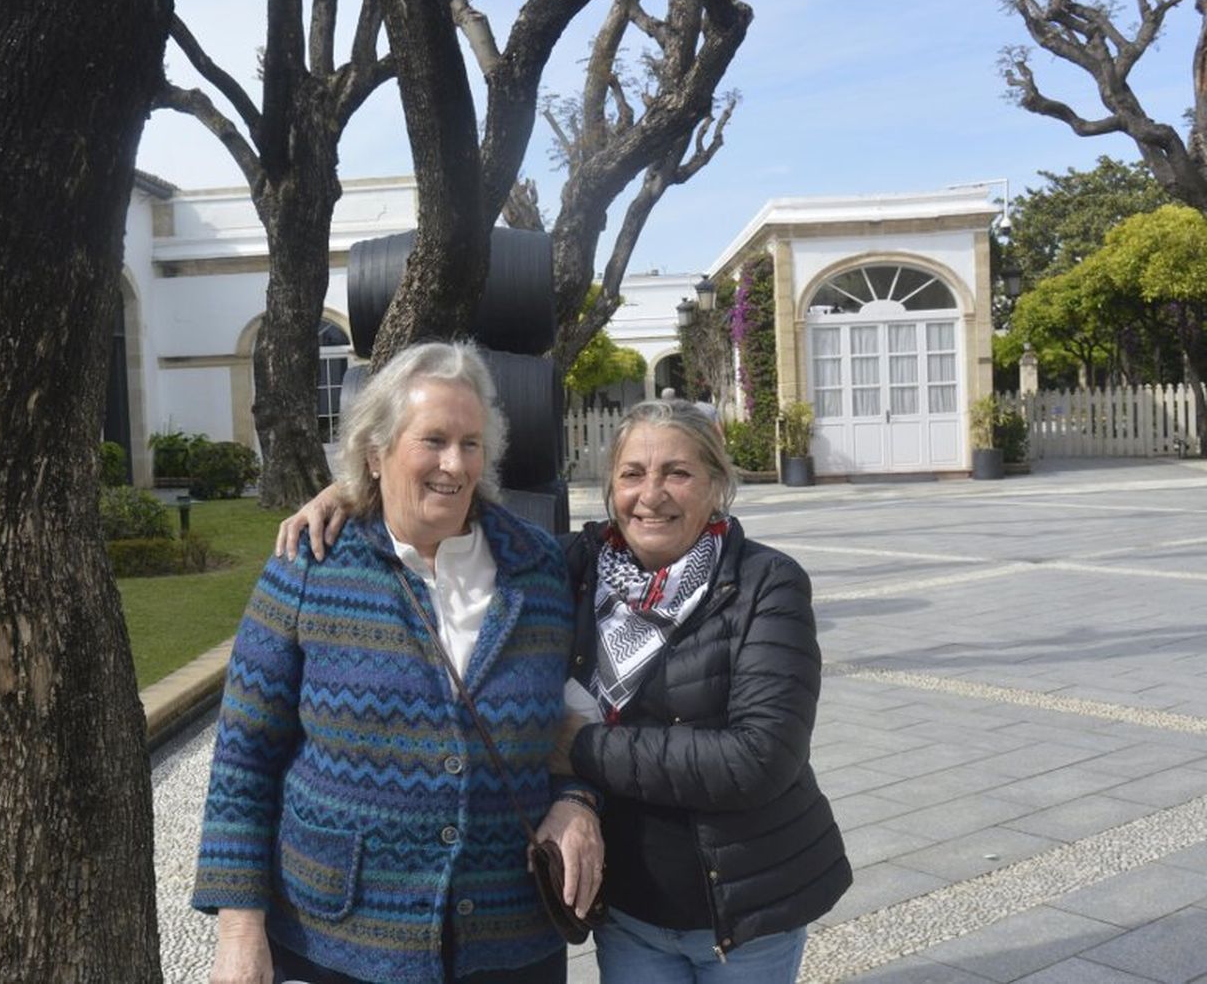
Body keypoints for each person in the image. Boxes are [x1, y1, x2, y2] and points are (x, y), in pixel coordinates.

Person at [279, 399, 851, 982]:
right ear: (610, 488)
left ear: (716, 485)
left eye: (677, 473)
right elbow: (462, 520)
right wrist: (352, 496)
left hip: (745, 910)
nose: (651, 494)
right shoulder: (574, 566)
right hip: (630, 909)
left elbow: (758, 758)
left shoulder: (765, 583)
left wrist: (580, 748)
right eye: (632, 474)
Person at [193, 341, 604, 984]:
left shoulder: (539, 568)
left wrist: (576, 802)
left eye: (471, 443)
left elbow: (570, 720)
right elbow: (245, 756)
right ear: (376, 452)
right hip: (341, 936)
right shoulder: (311, 566)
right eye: (432, 439)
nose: (454, 463)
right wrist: (240, 928)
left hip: (509, 936)